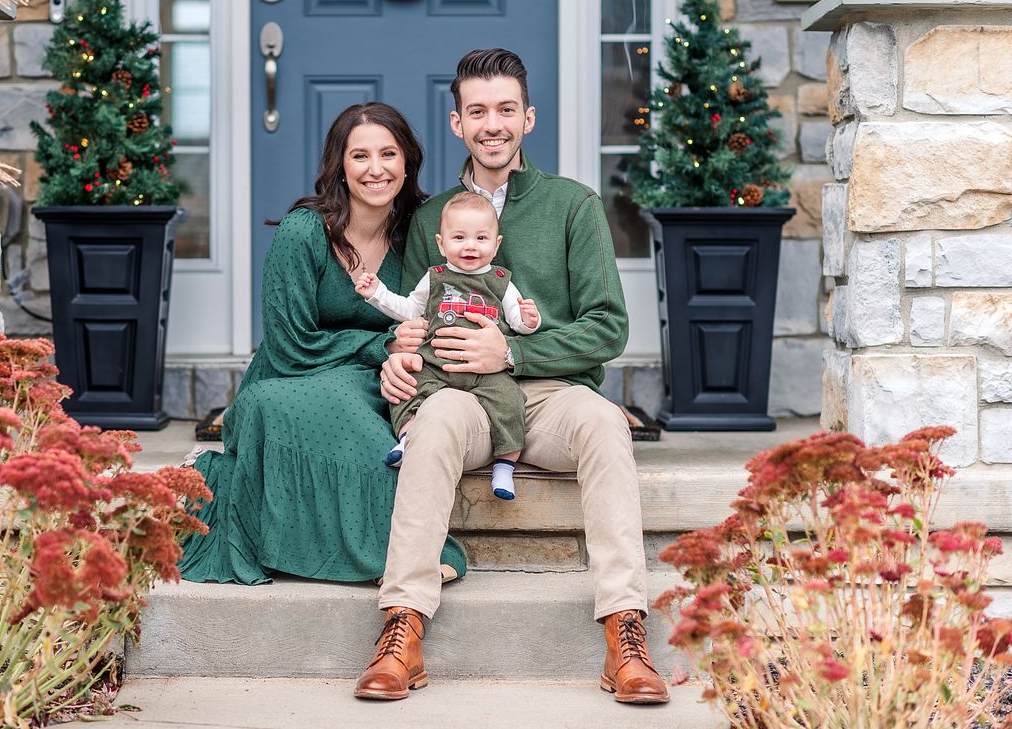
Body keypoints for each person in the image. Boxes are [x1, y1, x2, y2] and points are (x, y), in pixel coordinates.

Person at [353, 49, 669, 705]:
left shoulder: (572, 206)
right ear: (456, 122)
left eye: (504, 110)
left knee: (606, 426)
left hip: (553, 398)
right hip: (460, 396)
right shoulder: (432, 219)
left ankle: (625, 631)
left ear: (527, 118)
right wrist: (399, 350)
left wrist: (516, 354)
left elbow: (608, 326)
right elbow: (412, 315)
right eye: (477, 111)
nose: (491, 124)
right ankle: (402, 626)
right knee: (434, 421)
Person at [179, 102, 467, 586]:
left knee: (376, 429)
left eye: (388, 154)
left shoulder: (421, 231)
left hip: (382, 377)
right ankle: (391, 557)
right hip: (295, 372)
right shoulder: (303, 232)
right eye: (360, 156)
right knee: (307, 414)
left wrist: (402, 350)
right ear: (340, 166)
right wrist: (382, 345)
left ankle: (400, 551)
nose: (376, 169)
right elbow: (290, 344)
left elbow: (435, 314)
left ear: (407, 162)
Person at [353, 191, 540, 500]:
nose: (470, 246)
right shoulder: (435, 277)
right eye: (459, 237)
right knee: (407, 388)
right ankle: (407, 437)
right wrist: (377, 293)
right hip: (436, 363)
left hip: (487, 371)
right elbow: (410, 310)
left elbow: (518, 322)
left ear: (497, 244)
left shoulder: (501, 281)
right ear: (441, 243)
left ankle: (505, 466)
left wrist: (530, 320)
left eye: (481, 238)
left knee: (510, 402)